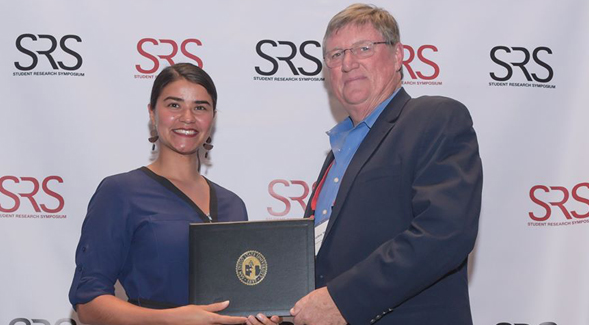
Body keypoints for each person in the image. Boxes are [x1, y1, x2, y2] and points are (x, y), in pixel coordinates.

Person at [290, 4, 483, 325]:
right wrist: (281, 303)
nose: (348, 63)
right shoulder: (335, 155)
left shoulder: (435, 118)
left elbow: (445, 232)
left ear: (398, 56)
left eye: (363, 48)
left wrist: (344, 301)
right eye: (335, 55)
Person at [69, 63, 279, 325]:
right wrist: (170, 319)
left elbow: (243, 296)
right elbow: (88, 303)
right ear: (152, 112)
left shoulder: (233, 204)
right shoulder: (120, 192)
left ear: (212, 117)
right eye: (174, 105)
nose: (188, 117)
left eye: (200, 107)